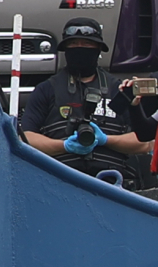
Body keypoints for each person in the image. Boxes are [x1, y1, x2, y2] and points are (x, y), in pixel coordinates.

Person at [19, 16, 149, 184]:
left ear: (98, 49)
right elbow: (26, 138)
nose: (80, 48)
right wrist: (64, 145)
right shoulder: (46, 89)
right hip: (60, 181)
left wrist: (107, 140)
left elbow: (145, 143)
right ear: (65, 49)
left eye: (87, 44)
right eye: (74, 44)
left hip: (113, 184)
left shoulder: (120, 90)